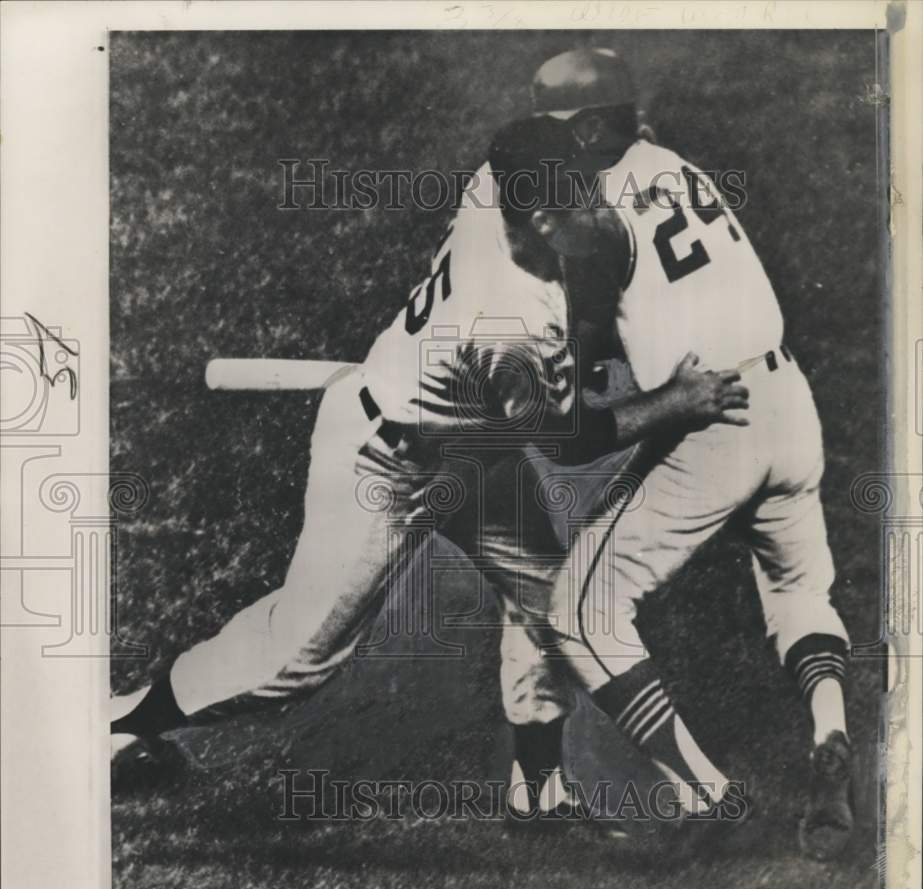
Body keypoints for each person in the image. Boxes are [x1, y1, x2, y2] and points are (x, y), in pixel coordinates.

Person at [110, 113, 747, 807]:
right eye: (583, 199)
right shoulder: (511, 319)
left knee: (554, 603)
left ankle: (548, 793)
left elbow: (543, 137)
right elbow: (571, 443)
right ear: (537, 218)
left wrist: (617, 131)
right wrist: (679, 401)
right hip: (385, 467)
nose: (600, 207)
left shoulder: (491, 187)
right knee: (293, 661)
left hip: (473, 445)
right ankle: (115, 721)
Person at [525, 49, 854, 859]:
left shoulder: (592, 214)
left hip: (716, 424)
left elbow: (580, 399)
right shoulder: (673, 164)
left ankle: (703, 792)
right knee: (796, 585)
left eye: (558, 127)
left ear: (597, 128)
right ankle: (830, 726)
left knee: (579, 609)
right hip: (788, 407)